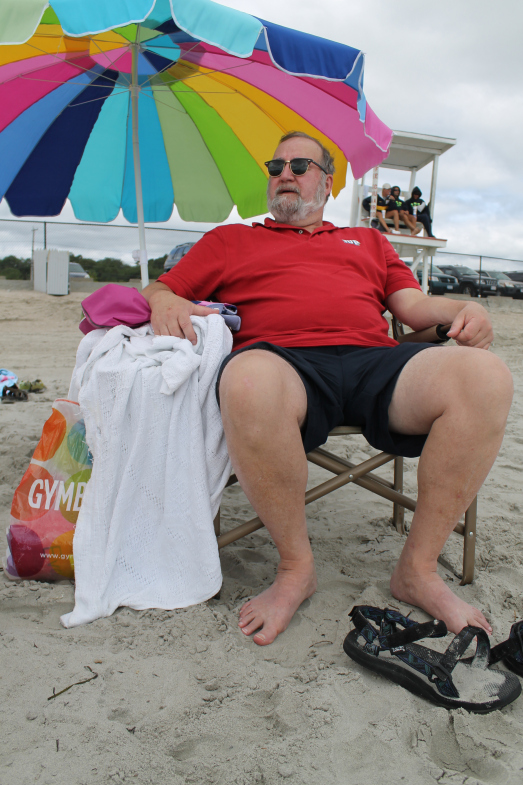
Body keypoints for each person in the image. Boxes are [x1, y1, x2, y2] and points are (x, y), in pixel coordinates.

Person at [143, 131, 512, 647]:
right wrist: (162, 300)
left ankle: (418, 570)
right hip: (285, 365)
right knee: (245, 376)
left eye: (300, 165)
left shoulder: (369, 241)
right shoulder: (230, 240)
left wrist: (463, 310)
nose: (285, 173)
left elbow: (413, 309)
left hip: (375, 363)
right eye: (276, 166)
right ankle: (296, 568)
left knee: (486, 375)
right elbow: (163, 287)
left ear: (328, 181)